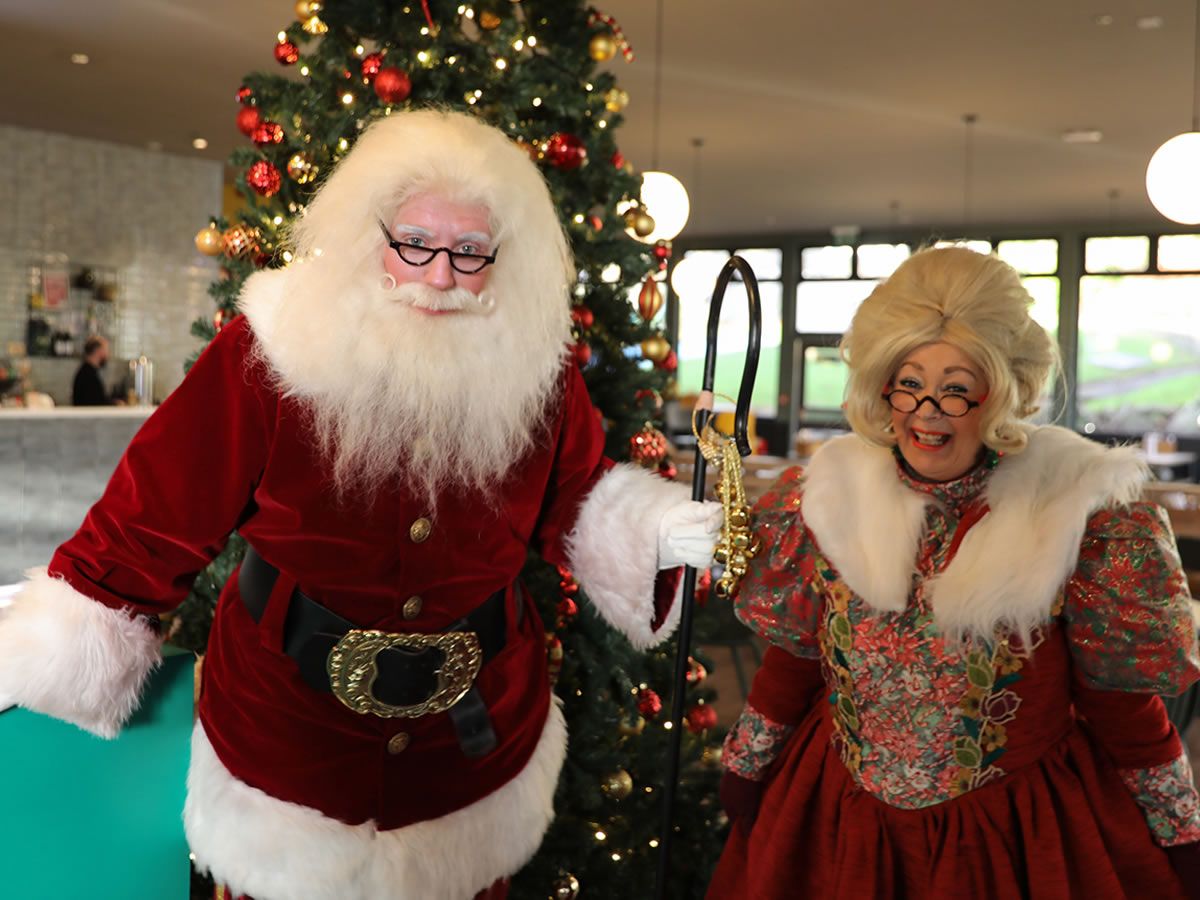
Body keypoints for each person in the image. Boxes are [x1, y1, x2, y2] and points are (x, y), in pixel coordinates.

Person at [0, 110, 720, 900]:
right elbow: (157, 509)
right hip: (290, 739)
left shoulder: (538, 371)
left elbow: (574, 498)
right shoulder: (266, 350)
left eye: (470, 252)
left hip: (471, 748)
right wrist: (71, 638)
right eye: (415, 242)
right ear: (365, 233)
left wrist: (650, 530)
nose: (438, 275)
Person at [708, 246, 1200, 899]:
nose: (927, 410)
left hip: (1010, 840)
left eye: (957, 390)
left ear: (1001, 395)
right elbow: (799, 656)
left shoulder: (1074, 515)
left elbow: (1120, 707)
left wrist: (1180, 829)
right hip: (840, 824)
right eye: (908, 382)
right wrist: (747, 759)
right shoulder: (830, 496)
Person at [72, 335, 113, 405]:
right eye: (106, 350)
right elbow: (96, 403)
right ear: (97, 350)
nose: (108, 354)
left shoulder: (87, 371)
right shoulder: (87, 375)